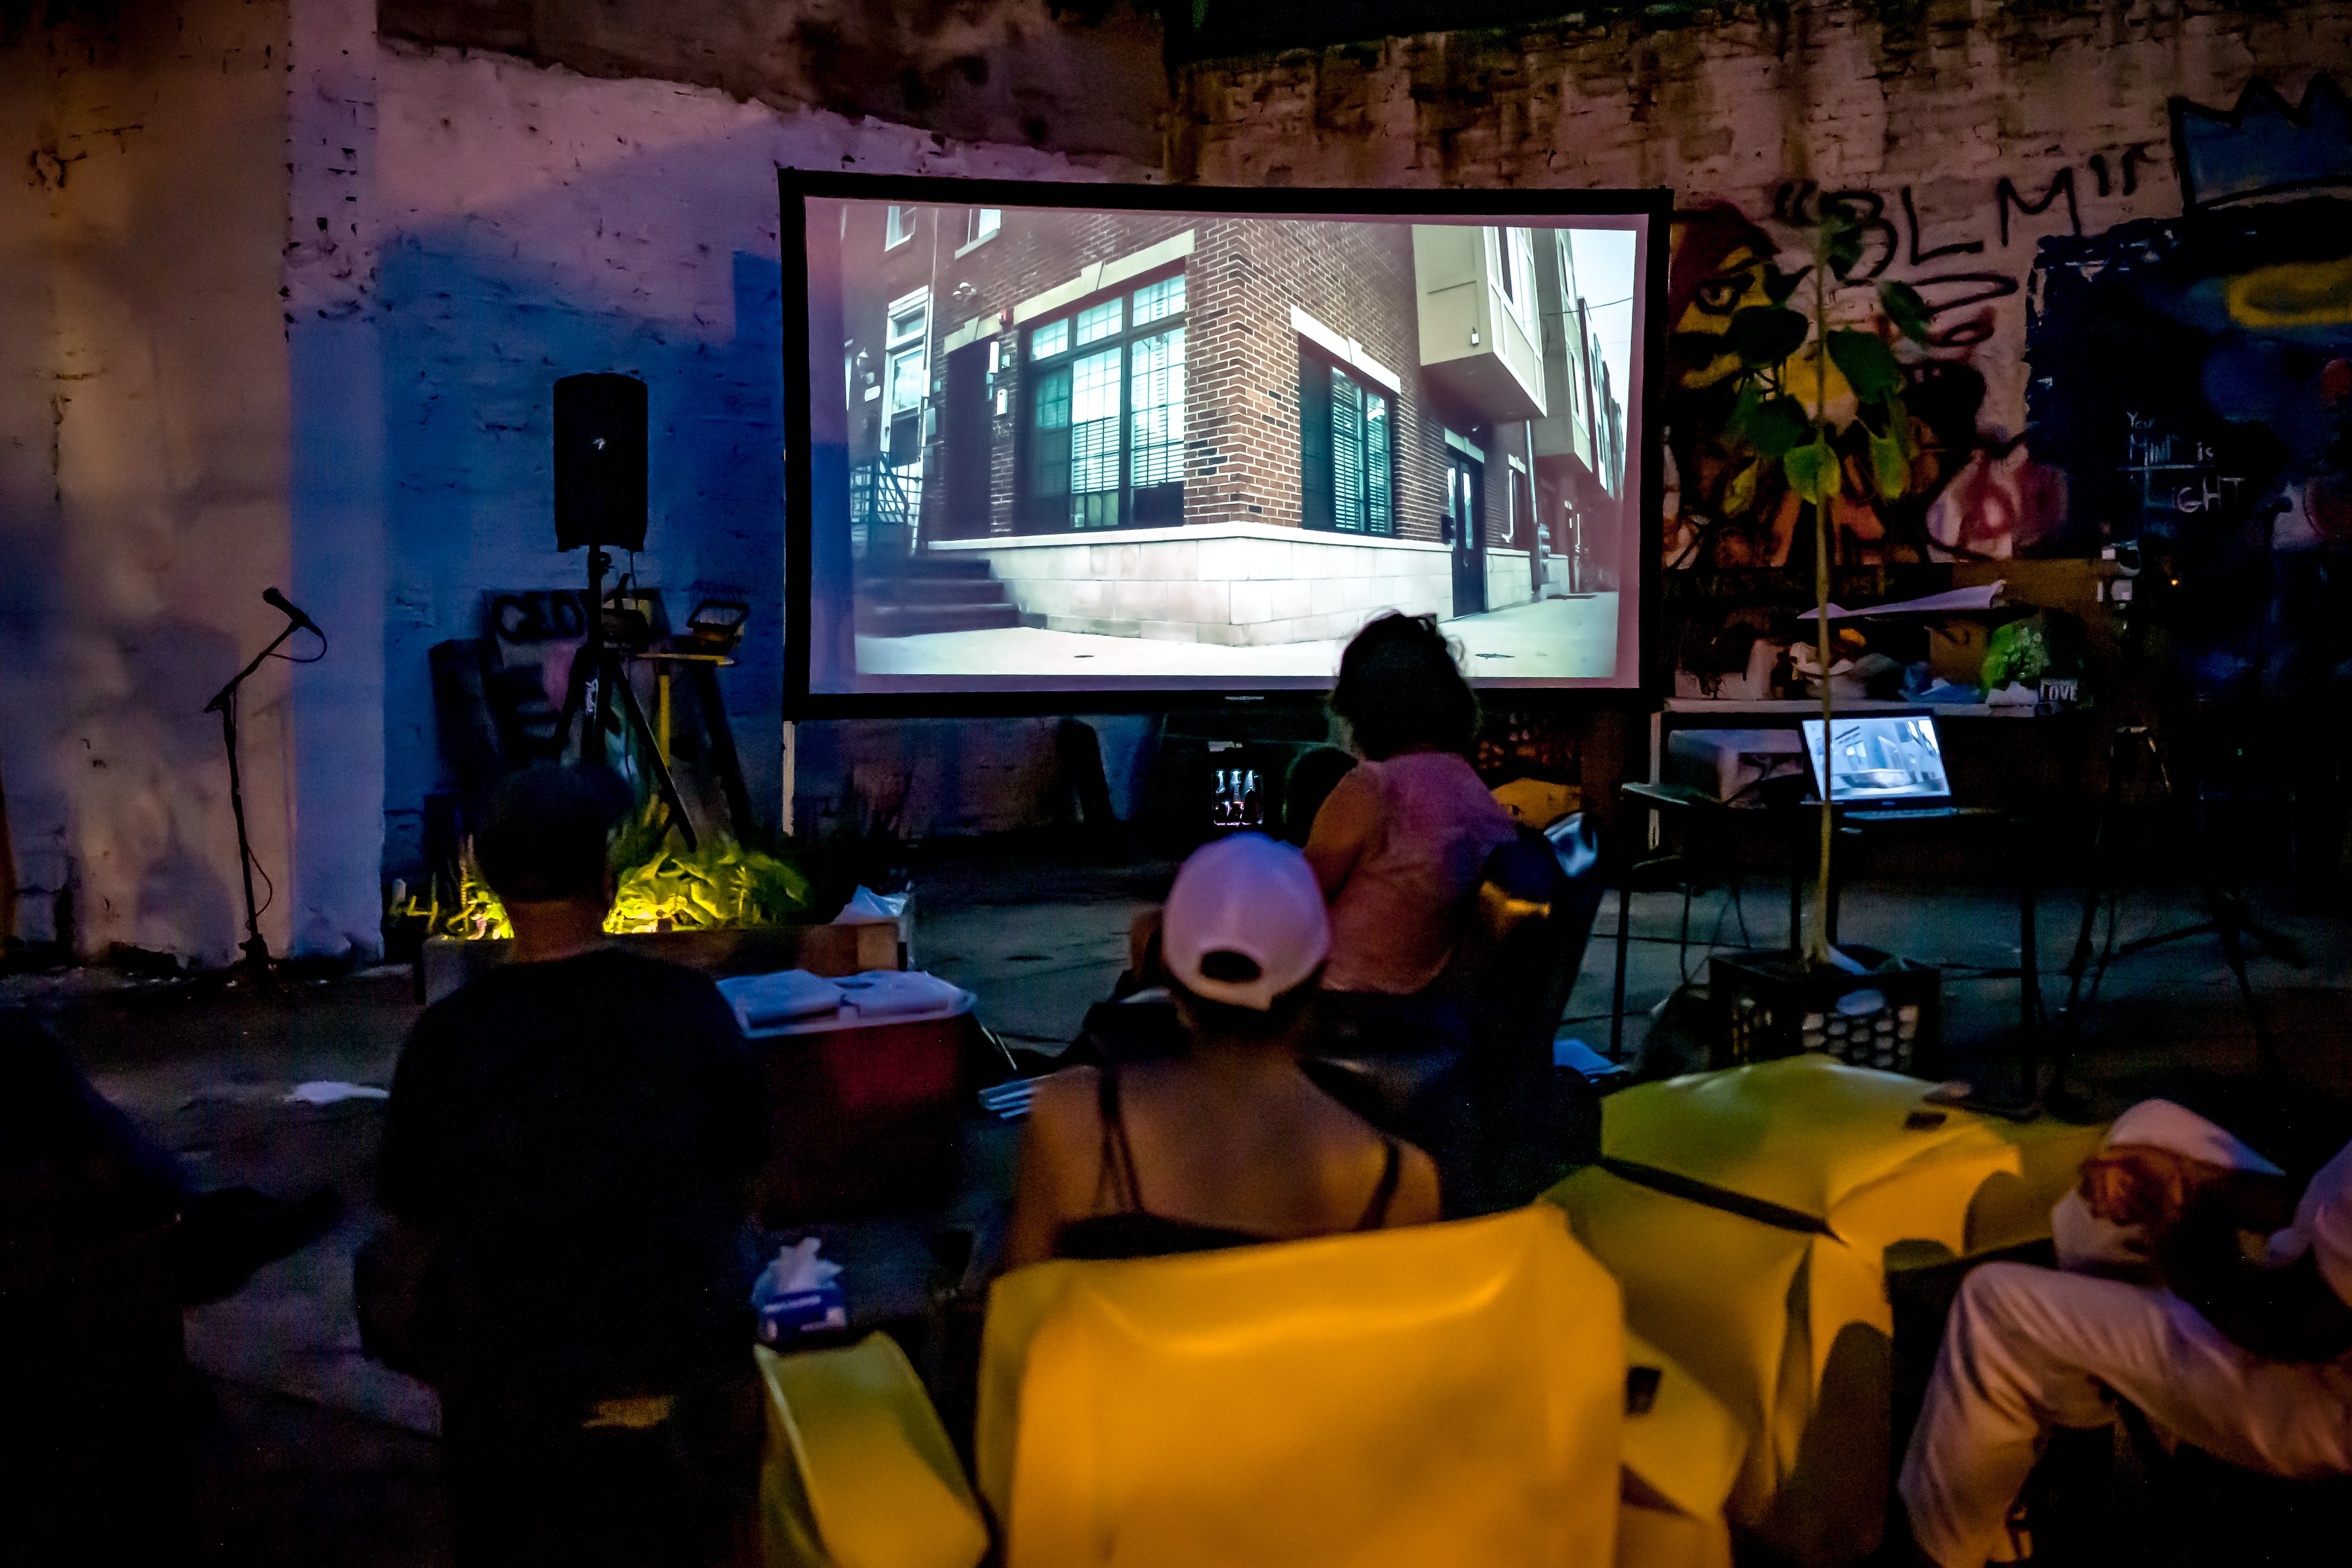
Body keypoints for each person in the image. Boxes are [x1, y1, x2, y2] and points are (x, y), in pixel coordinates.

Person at [374, 765, 767, 1568]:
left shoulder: (446, 1039)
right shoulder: (689, 1009)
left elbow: (411, 1214)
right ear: (608, 883)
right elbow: (748, 1182)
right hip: (672, 1379)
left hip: (510, 1402)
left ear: (487, 888)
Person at [1897, 1099, 2352, 1567]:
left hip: (2317, 1391)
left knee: (1992, 1307)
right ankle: (2076, 1400)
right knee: (2147, 1129)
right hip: (2308, 1294)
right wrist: (2190, 1178)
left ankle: (1946, 1551)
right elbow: (2322, 1205)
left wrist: (2193, 1260)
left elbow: (2300, 1329)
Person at [1001, 832, 1440, 1268]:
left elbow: (1019, 1316)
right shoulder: (1400, 1185)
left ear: (1169, 978)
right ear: (1317, 979)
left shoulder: (1072, 1123)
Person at [1305, 612, 1519, 1015]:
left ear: (1361, 705)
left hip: (1341, 1012)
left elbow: (1289, 905)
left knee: (1156, 932)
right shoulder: (1471, 791)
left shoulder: (1373, 790)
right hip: (1418, 1013)